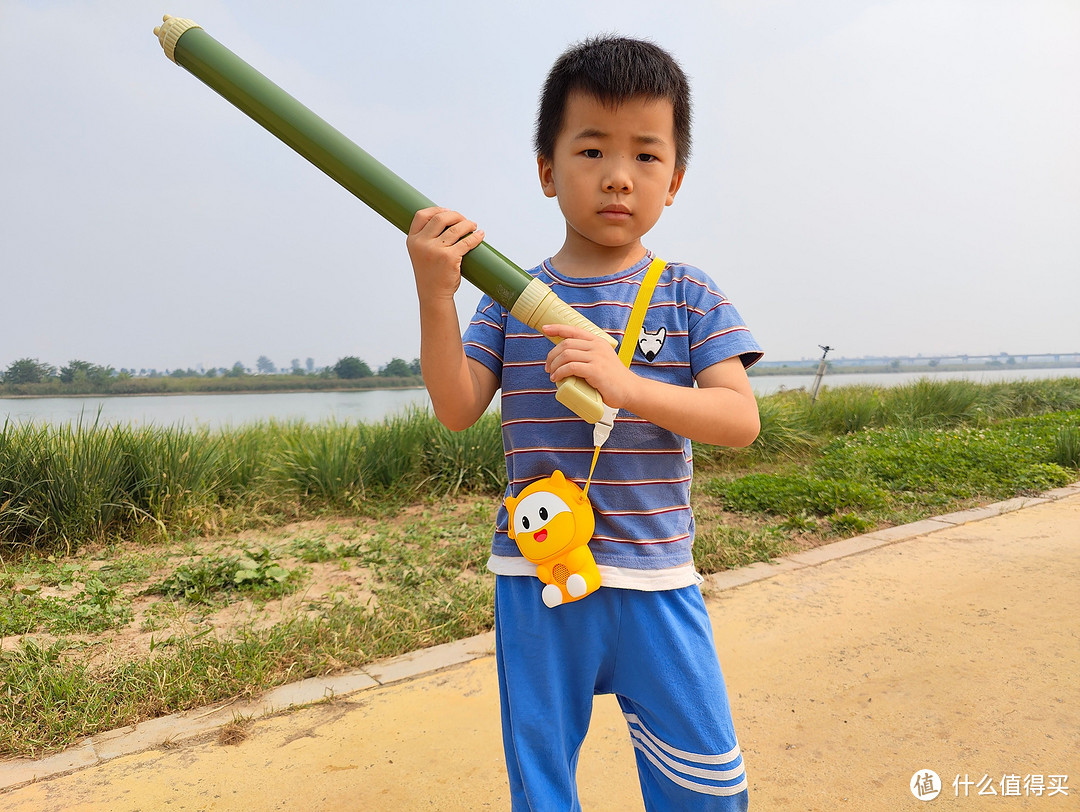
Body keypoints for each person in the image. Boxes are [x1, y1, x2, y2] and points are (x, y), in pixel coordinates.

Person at [406, 35, 762, 811]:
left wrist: (626, 385)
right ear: (547, 169)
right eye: (592, 149)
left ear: (675, 181)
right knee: (541, 785)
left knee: (707, 784)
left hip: (655, 578)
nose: (618, 177)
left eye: (646, 155)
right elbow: (457, 406)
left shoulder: (689, 294)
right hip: (535, 580)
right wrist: (437, 294)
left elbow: (739, 419)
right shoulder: (508, 294)